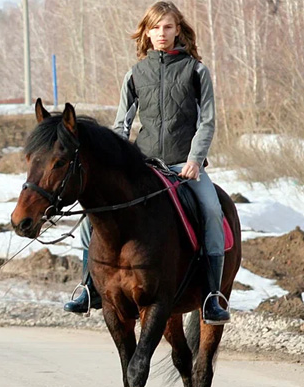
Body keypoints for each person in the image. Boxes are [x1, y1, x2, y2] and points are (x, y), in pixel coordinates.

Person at [65, 1, 229, 324]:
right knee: (91, 216)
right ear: (147, 32)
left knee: (212, 211)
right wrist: (113, 162)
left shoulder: (196, 71)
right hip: (145, 166)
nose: (161, 33)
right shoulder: (135, 74)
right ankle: (89, 287)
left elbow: (207, 122)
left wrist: (195, 160)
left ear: (178, 30)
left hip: (185, 167)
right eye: (155, 28)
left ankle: (212, 296)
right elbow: (120, 126)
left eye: (168, 27)